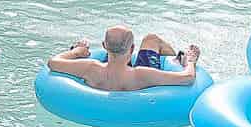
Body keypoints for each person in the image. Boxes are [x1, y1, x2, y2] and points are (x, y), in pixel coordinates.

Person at [46, 26, 200, 92]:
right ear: (132, 49)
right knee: (151, 39)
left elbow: (53, 62)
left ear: (104, 46)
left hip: (107, 73)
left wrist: (78, 51)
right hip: (135, 82)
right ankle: (175, 61)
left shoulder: (90, 68)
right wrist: (191, 61)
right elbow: (188, 78)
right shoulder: (142, 74)